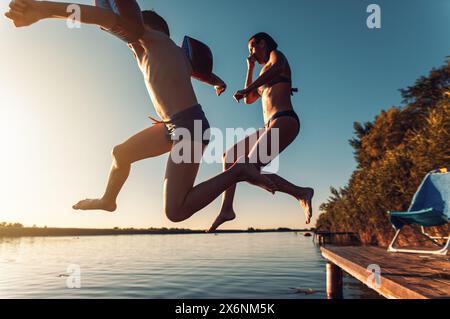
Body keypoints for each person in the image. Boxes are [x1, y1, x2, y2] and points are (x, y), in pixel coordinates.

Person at [4, 0, 278, 224]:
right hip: (173, 125)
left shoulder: (144, 36)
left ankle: (238, 171)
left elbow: (101, 17)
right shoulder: (170, 51)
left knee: (176, 211)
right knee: (120, 154)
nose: (124, 39)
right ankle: (108, 200)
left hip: (189, 128)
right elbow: (197, 71)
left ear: (146, 26)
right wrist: (216, 81)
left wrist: (45, 10)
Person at [209, 32, 314, 232]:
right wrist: (249, 69)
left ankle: (301, 193)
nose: (251, 54)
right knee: (230, 157)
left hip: (284, 119)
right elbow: (249, 98)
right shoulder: (260, 73)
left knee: (248, 168)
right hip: (269, 125)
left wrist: (252, 85)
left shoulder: (276, 56)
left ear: (263, 43)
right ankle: (227, 209)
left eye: (252, 48)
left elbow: (276, 68)